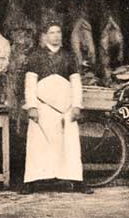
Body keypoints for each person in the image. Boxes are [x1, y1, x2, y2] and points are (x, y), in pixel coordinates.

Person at [20, 22, 93, 195]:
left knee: (70, 147)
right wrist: (32, 106)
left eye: (58, 32)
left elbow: (76, 83)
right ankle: (30, 182)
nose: (56, 36)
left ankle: (77, 181)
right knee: (38, 146)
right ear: (45, 36)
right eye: (52, 32)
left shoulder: (69, 57)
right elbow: (30, 84)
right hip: (43, 108)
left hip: (65, 110)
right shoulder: (35, 56)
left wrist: (76, 105)